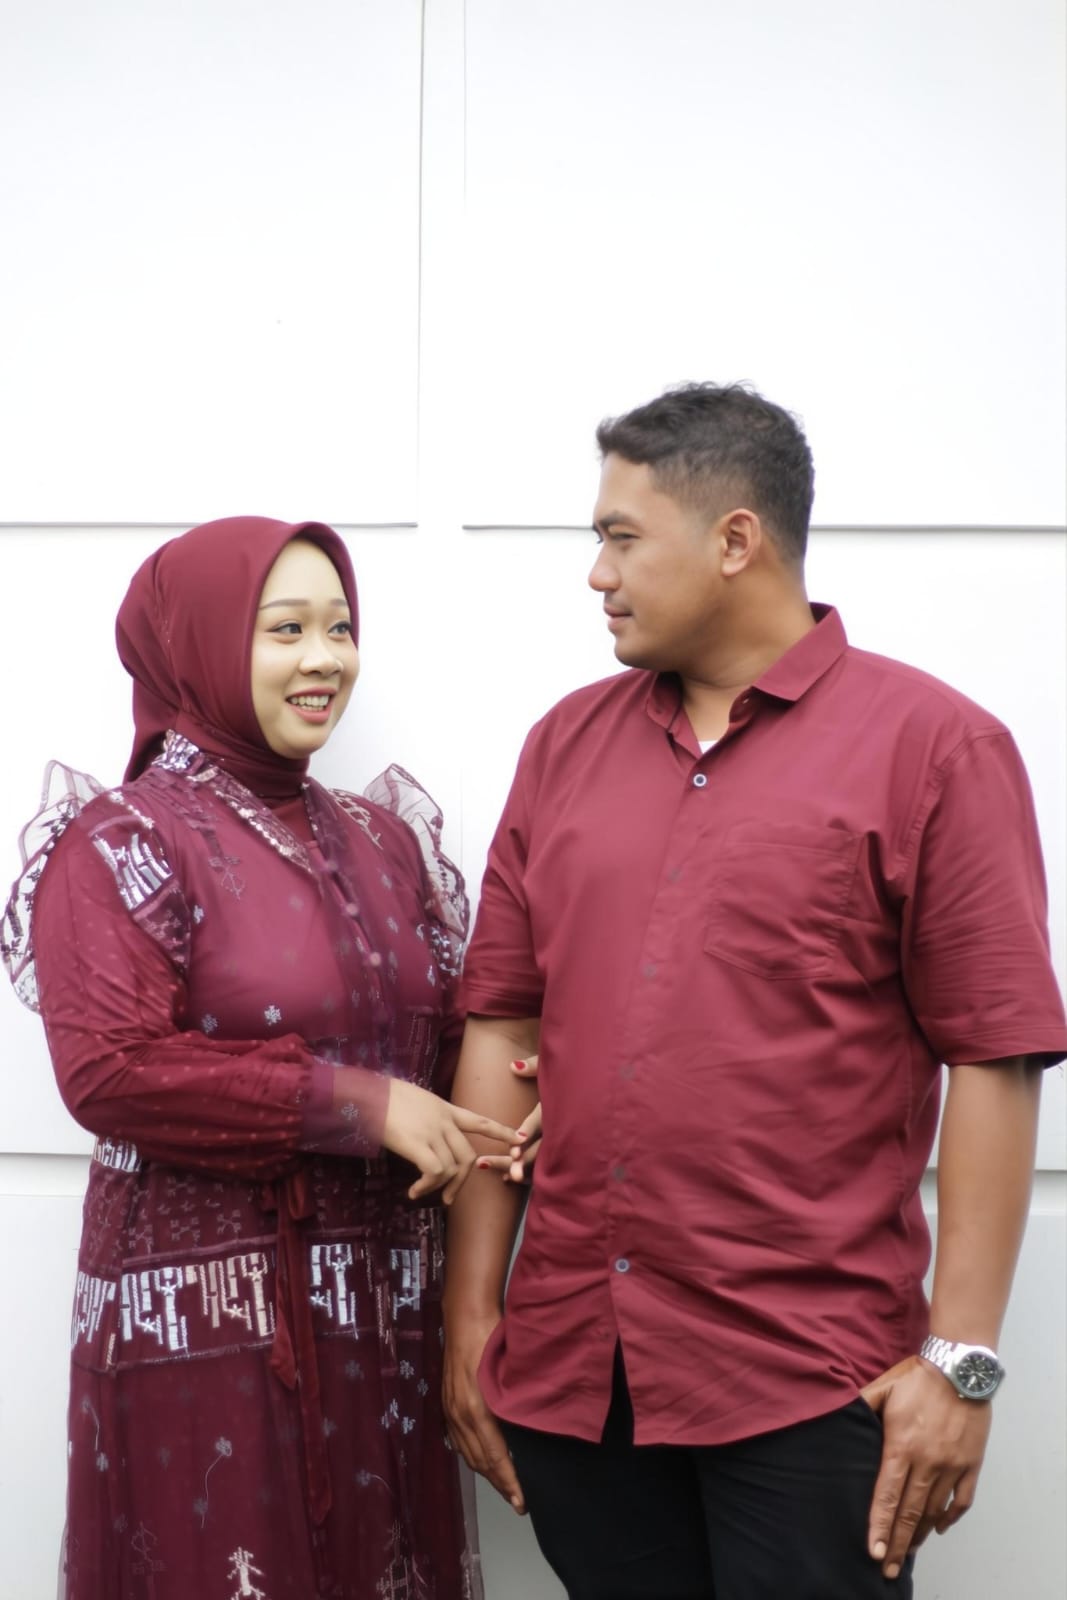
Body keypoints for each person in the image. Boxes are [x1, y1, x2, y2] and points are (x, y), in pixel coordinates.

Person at [441, 384, 1067, 1600]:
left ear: (734, 539)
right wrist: (471, 1312)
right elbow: (502, 1020)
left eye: (621, 538)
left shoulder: (934, 747)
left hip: (807, 1380)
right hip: (577, 1373)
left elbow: (994, 1056)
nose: (596, 574)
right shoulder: (563, 745)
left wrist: (961, 1361)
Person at [2, 515, 522, 1600]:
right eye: (285, 629)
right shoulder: (124, 840)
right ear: (197, 644)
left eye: (340, 627)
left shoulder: (383, 842)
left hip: (379, 1319)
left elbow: (449, 1040)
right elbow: (108, 1071)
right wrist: (356, 1102)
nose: (324, 658)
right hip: (206, 1336)